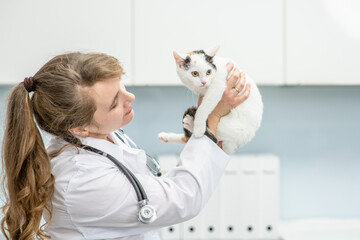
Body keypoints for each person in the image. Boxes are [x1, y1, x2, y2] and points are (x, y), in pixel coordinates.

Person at [1, 52, 250, 240]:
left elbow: (155, 188)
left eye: (121, 86)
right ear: (79, 128)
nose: (130, 98)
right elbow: (182, 198)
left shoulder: (100, 137)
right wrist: (211, 119)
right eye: (114, 103)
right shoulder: (82, 181)